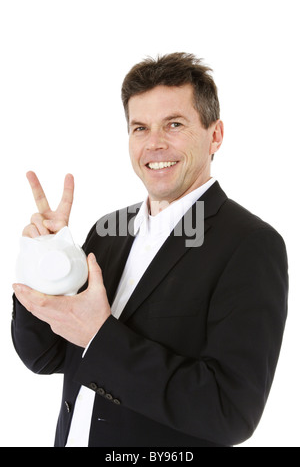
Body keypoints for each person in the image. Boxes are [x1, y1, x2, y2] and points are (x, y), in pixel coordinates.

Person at [12, 53, 288, 447]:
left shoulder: (251, 245)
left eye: (174, 124)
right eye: (140, 128)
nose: (154, 143)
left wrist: (100, 336)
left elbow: (230, 412)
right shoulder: (108, 230)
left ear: (215, 135)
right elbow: (45, 357)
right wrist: (47, 262)